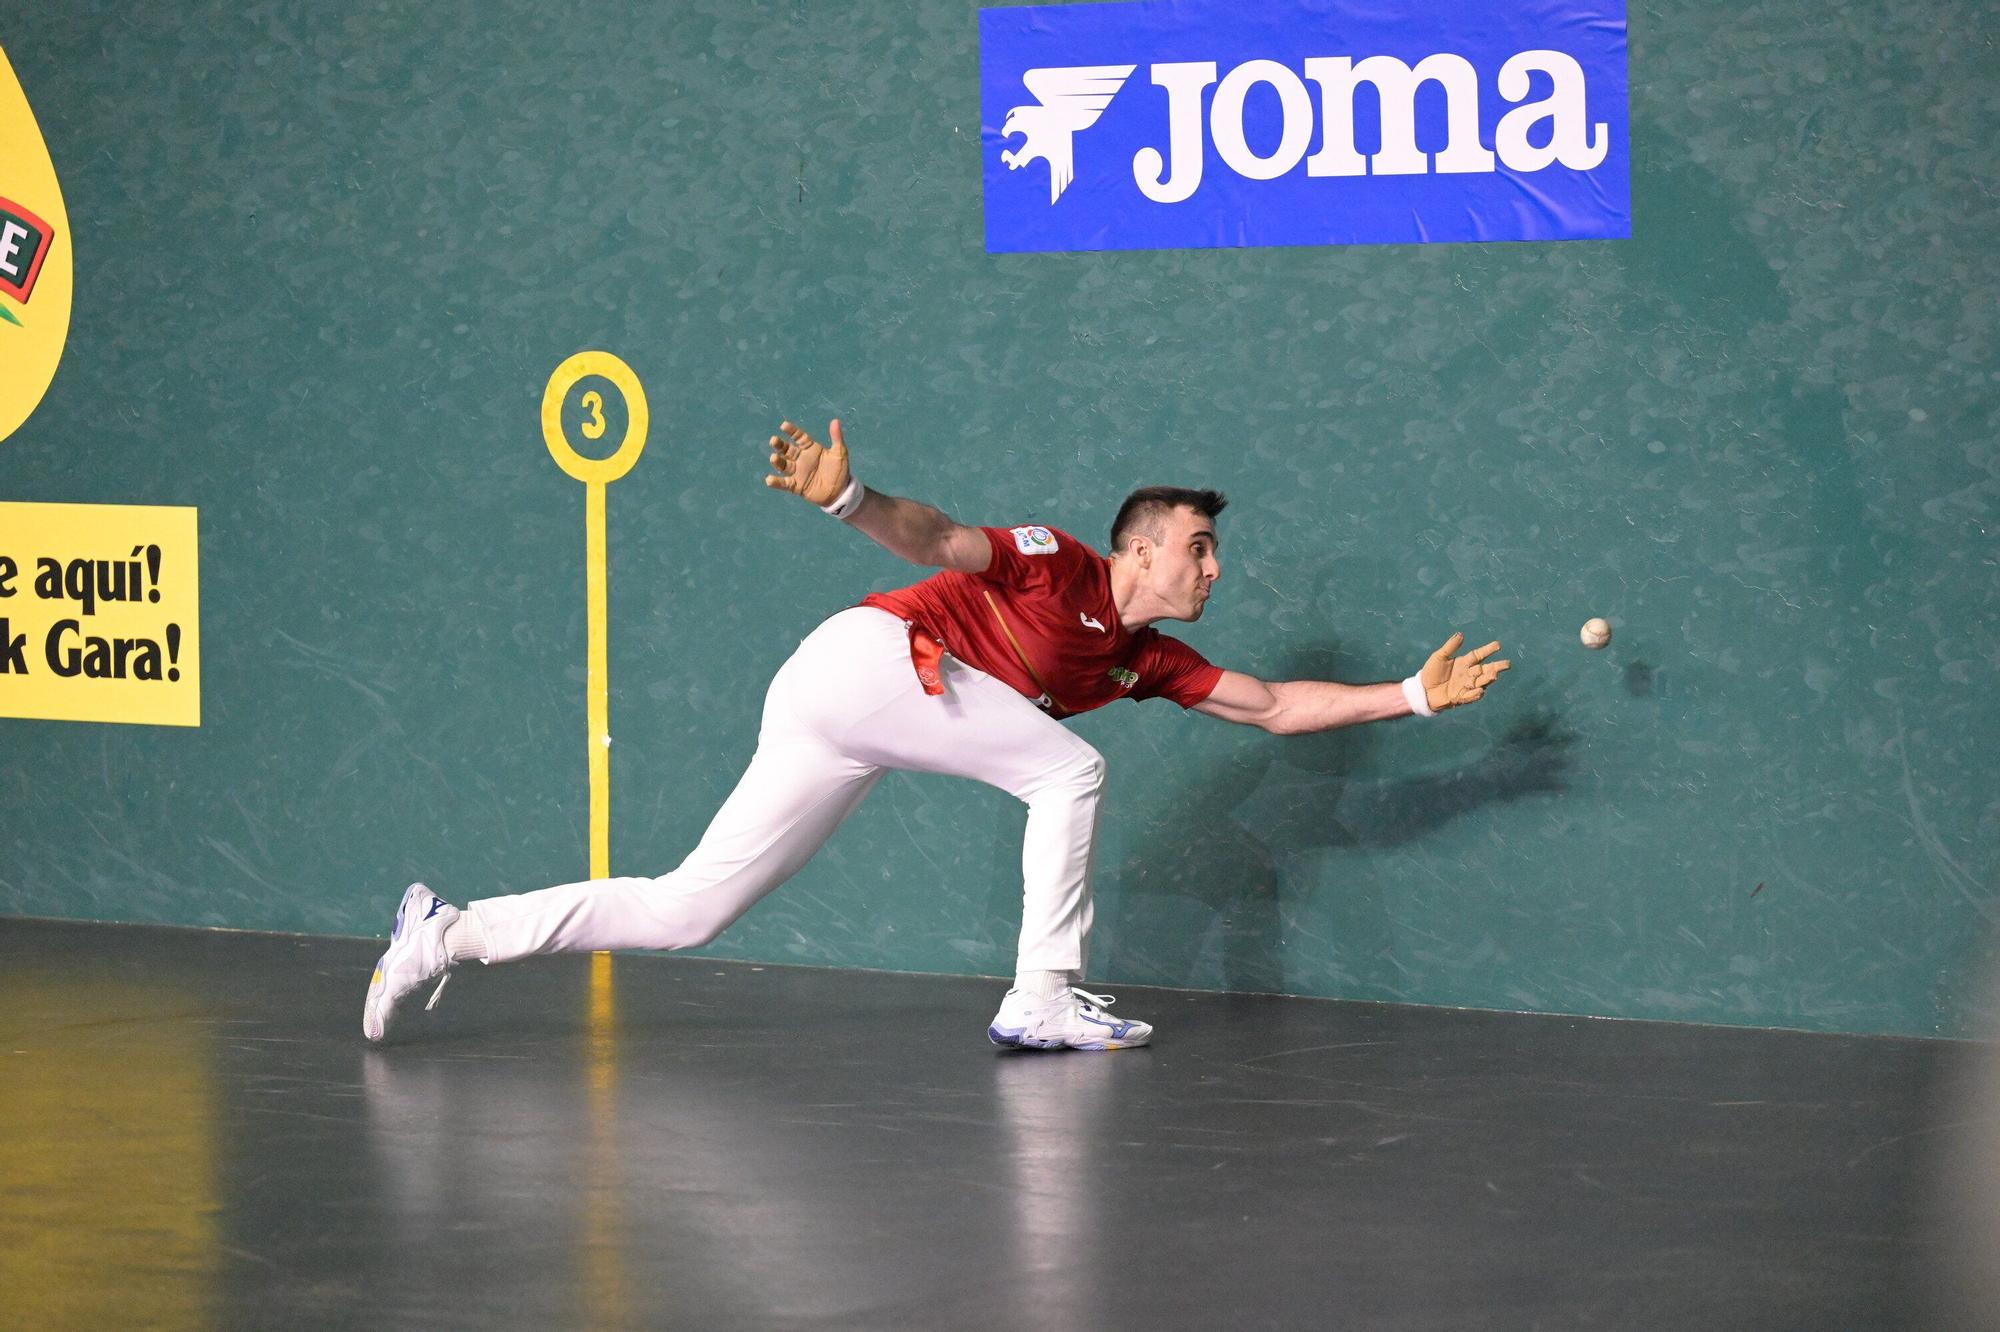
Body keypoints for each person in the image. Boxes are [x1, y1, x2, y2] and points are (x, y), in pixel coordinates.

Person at [363, 419, 1510, 1050]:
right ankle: (1040, 996)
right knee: (1072, 768)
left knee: (686, 908)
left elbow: (1269, 706)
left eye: (1213, 550)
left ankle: (446, 932)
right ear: (1142, 545)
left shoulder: (1143, 657)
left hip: (855, 716)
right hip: (873, 661)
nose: (1213, 564)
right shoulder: (1056, 561)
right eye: (1197, 544)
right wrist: (846, 501)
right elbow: (941, 542)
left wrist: (1407, 696)